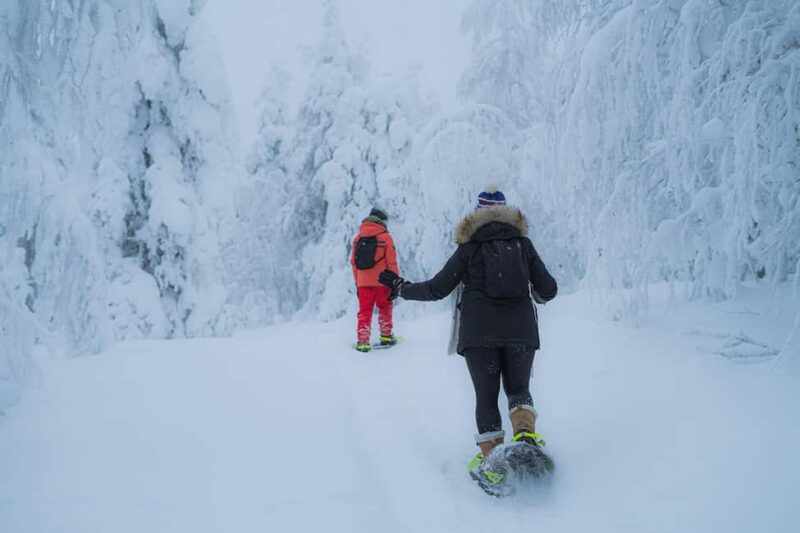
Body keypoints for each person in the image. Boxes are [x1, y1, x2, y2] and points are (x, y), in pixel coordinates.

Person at [378, 185, 557, 488]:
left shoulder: (468, 247)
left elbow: (437, 289)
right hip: (521, 333)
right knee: (518, 389)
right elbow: (548, 290)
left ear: (477, 214)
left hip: (479, 336)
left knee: (486, 397)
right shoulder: (522, 245)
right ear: (507, 214)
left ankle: (494, 462)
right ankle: (525, 434)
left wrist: (400, 286)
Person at [350, 207, 400, 352]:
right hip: (383, 281)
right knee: (385, 307)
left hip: (363, 283)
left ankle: (363, 342)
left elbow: (354, 263)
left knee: (365, 311)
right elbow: (392, 262)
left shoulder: (358, 238)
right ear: (382, 221)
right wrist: (394, 283)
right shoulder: (386, 238)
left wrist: (357, 282)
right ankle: (386, 336)